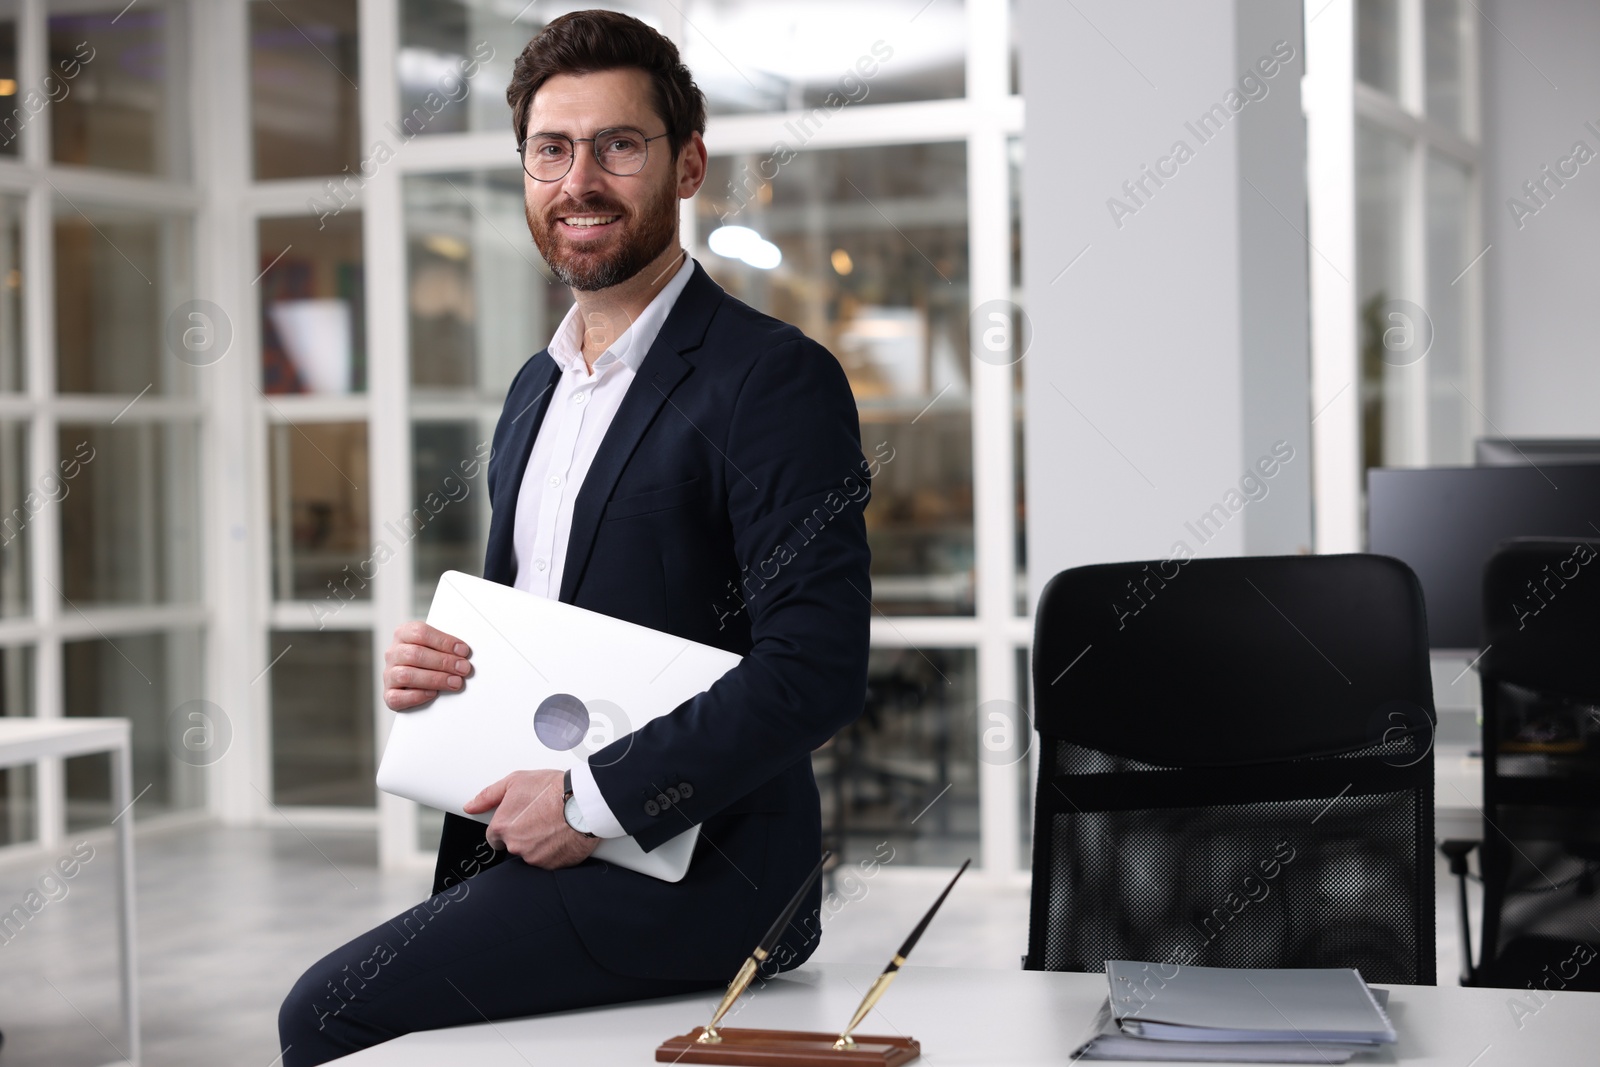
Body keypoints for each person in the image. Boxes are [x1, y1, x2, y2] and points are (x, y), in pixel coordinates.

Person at [277, 10, 872, 1064]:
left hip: (703, 870)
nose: (579, 180)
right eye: (551, 150)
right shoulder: (535, 390)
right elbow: (537, 633)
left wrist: (593, 801)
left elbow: (814, 670)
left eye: (618, 146)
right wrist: (446, 667)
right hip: (538, 838)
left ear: (687, 164)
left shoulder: (771, 379)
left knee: (326, 1012)